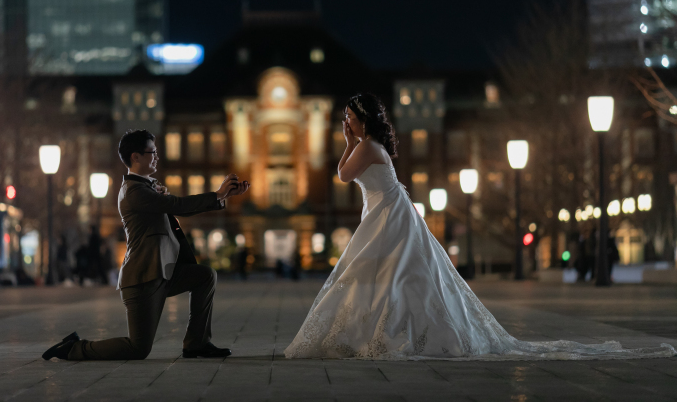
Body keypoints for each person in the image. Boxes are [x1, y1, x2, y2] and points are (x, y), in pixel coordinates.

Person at [285, 93, 676, 360]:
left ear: (362, 118)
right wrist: (352, 140)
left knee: (390, 275)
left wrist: (346, 141)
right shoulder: (374, 147)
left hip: (387, 215)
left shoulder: (368, 146)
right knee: (395, 276)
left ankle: (388, 333)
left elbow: (340, 174)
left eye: (350, 117)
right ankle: (388, 331)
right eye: (345, 119)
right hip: (387, 213)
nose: (346, 121)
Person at [43, 129, 249, 361]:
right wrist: (217, 194)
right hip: (142, 279)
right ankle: (73, 348)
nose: (157, 157)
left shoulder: (147, 187)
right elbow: (177, 205)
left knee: (205, 275)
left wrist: (223, 197)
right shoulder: (134, 192)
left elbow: (175, 207)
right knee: (138, 348)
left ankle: (197, 343)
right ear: (136, 157)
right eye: (152, 152)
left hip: (163, 272)